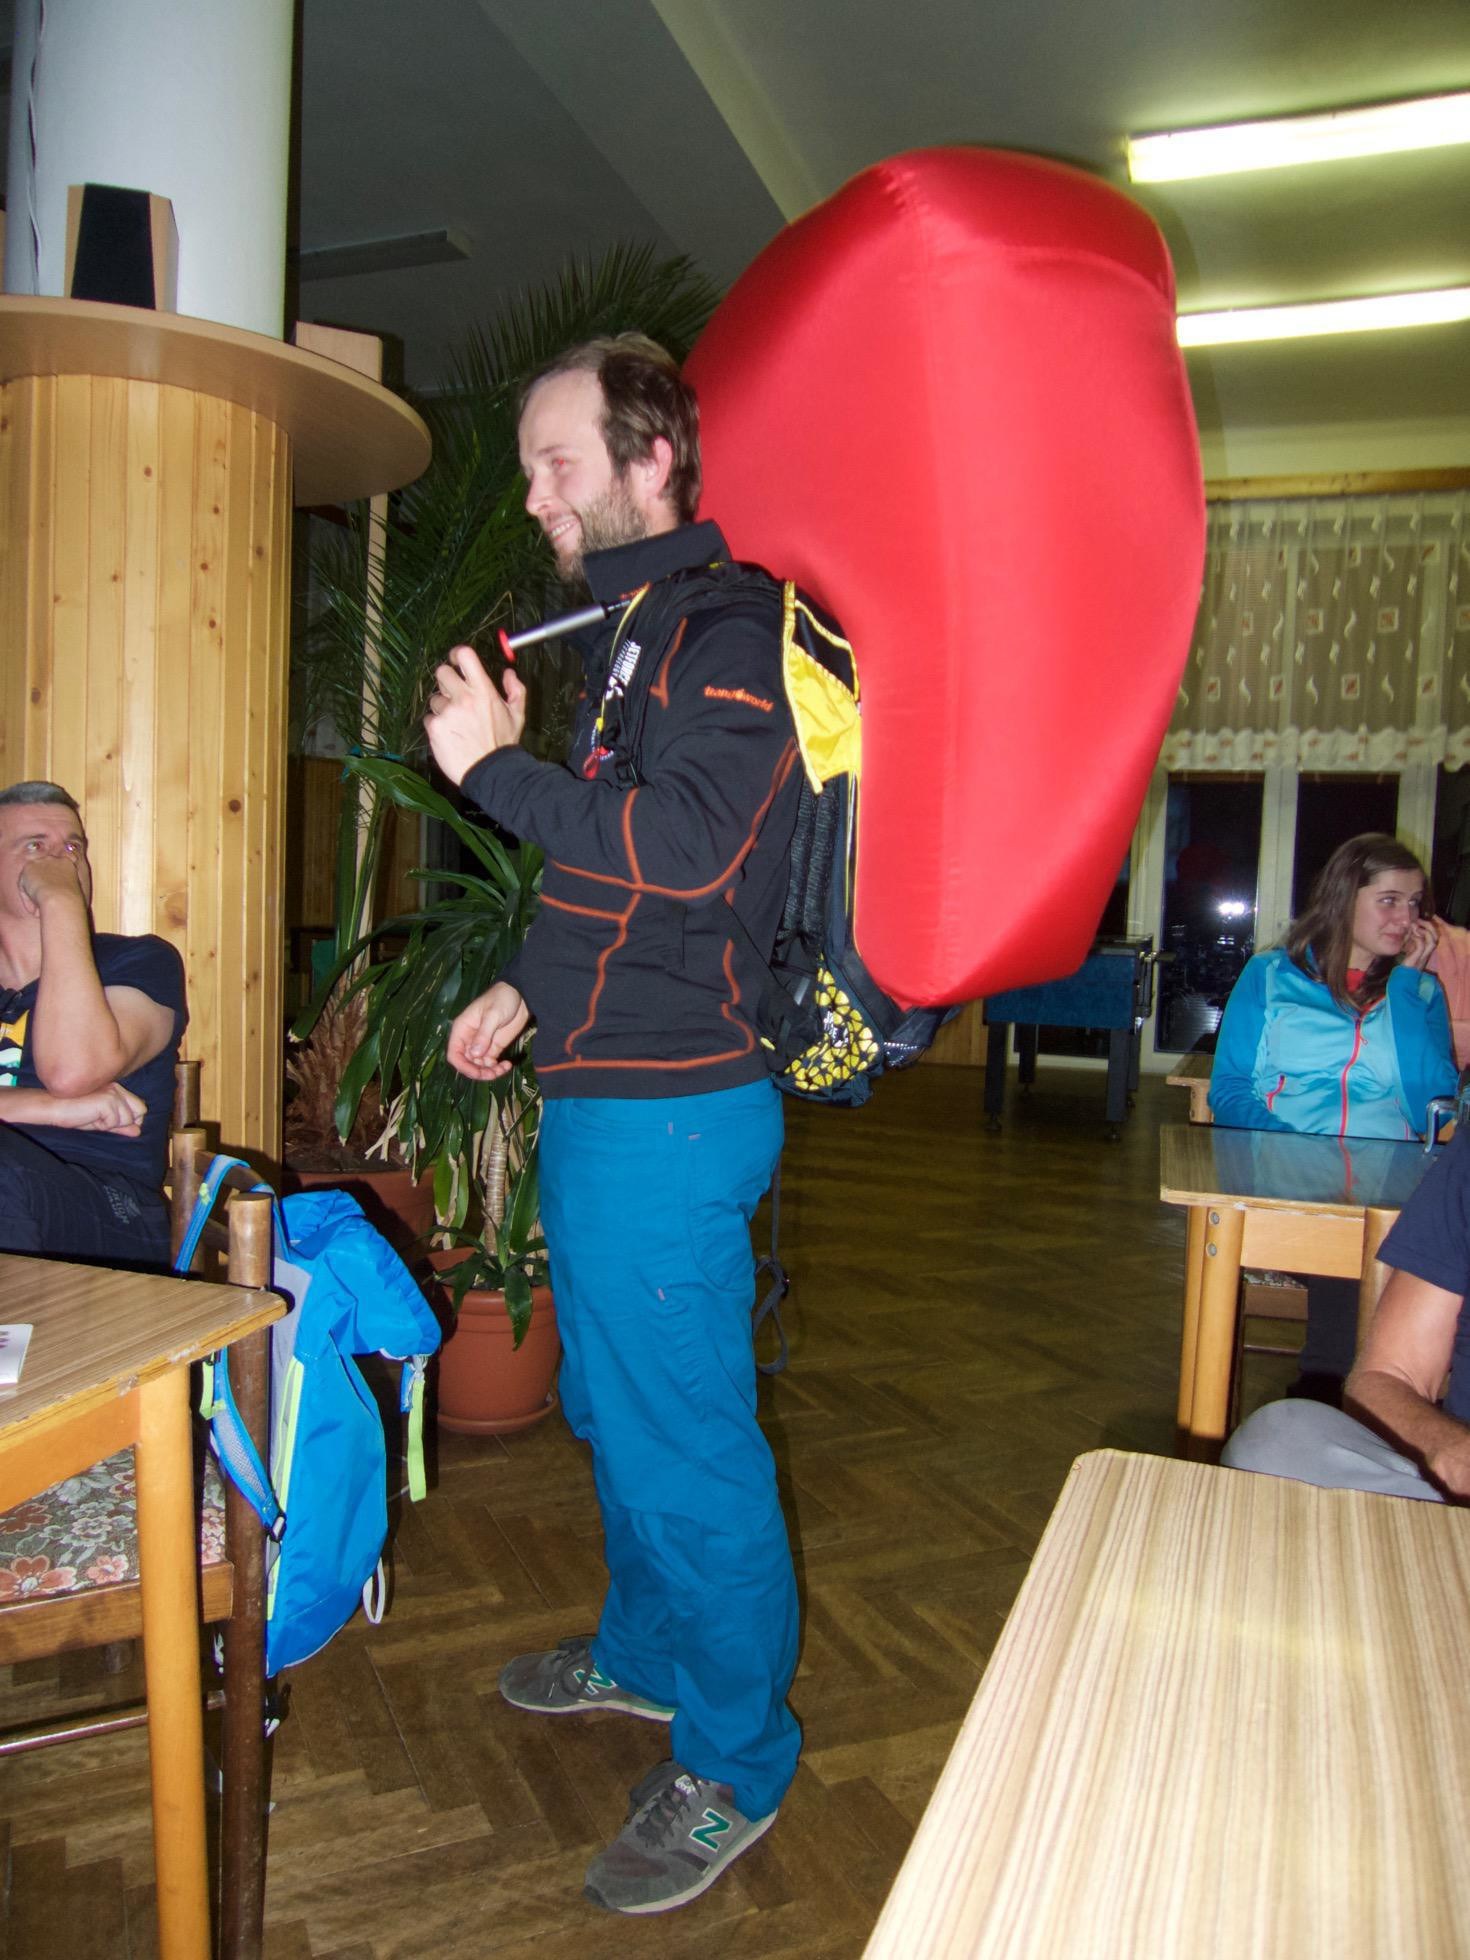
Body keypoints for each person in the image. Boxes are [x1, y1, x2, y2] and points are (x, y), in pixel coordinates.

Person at [423, 335, 805, 1915]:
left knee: (684, 1445)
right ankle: (648, 1656)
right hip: (605, 1096)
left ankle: (736, 1759)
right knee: (617, 1416)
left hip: (672, 1111)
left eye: (557, 462)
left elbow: (696, 845)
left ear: (652, 461)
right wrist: (525, 985)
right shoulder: (638, 641)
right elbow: (611, 881)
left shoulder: (727, 629)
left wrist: (495, 772)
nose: (535, 496)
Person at [1209, 833, 1457, 1397]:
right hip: (1284, 1172)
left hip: (1390, 1186)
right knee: (1354, 1250)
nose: (1406, 918)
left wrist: (1406, 987)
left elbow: (1430, 1107)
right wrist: (1301, 1153)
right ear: (1344, 898)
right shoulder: (1269, 976)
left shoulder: (1420, 992)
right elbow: (1231, 1089)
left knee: (1407, 1243)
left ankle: (1364, 1398)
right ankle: (1326, 1391)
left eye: (1414, 903)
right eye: (1389, 900)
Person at [1223, 1120, 1470, 1503]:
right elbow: (1388, 1375)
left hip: (1376, 1180)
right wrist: (1449, 1449)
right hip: (1294, 1183)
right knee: (1277, 1435)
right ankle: (1319, 1380)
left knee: (1344, 1253)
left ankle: (1321, 1380)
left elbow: (1421, 1107)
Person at [0, 782, 186, 1267]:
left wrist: (60, 902)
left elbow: (73, 1071)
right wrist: (47, 1109)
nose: (60, 862)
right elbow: (62, 1096)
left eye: (72, 848)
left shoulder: (139, 962)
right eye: (34, 846)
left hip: (111, 1211)